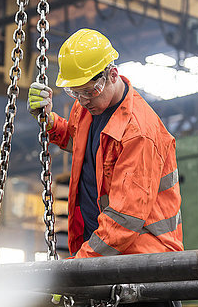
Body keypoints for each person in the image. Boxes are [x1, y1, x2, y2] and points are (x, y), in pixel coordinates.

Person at [28, 28, 183, 260]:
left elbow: (124, 220)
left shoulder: (138, 132)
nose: (83, 100)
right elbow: (81, 144)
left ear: (112, 74)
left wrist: (76, 269)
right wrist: (49, 121)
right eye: (75, 93)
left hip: (146, 261)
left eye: (90, 91)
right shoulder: (87, 106)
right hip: (105, 253)